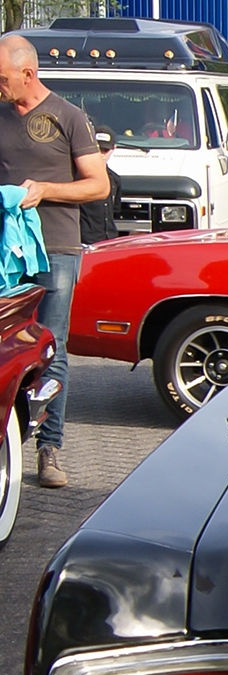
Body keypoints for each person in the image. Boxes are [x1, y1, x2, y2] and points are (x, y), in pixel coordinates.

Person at [0, 33, 110, 489]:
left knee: (52, 346)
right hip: (8, 252)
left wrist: (46, 191)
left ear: (29, 74)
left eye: (2, 78)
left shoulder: (68, 117)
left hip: (58, 249)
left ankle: (50, 448)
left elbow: (97, 186)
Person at [79, 124, 121, 245]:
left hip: (110, 239)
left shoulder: (115, 179)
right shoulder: (78, 178)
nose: (101, 155)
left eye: (105, 150)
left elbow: (115, 211)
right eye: (98, 149)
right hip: (85, 241)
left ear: (114, 149)